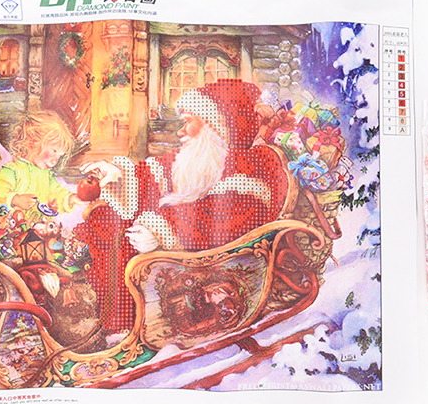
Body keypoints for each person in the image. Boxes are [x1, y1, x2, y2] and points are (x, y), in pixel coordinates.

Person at [79, 79, 289, 333]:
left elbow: (218, 220)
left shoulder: (248, 167)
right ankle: (112, 319)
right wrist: (118, 175)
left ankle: (129, 327)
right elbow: (155, 175)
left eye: (188, 122)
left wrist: (160, 231)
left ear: (213, 125)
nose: (181, 132)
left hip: (207, 260)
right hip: (184, 251)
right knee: (105, 218)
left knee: (127, 241)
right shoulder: (201, 159)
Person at [0, 110, 83, 221]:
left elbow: (56, 191)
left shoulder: (46, 175)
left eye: (59, 156)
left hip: (41, 227)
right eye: (53, 151)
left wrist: (71, 198)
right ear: (33, 142)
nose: (55, 160)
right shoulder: (13, 170)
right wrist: (15, 199)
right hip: (13, 227)